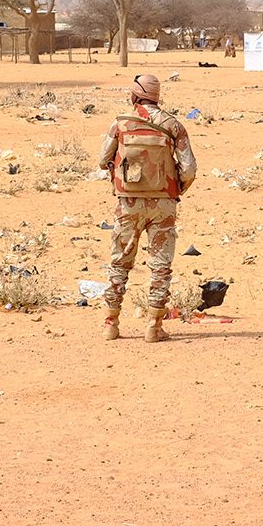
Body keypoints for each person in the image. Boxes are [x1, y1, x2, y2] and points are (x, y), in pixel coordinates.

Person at [96, 73, 197, 342]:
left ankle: (111, 324)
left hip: (128, 204)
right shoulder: (173, 126)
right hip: (163, 205)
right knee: (161, 266)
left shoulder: (120, 124)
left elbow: (102, 158)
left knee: (120, 261)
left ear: (135, 95)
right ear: (156, 95)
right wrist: (175, 190)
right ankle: (153, 326)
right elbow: (189, 169)